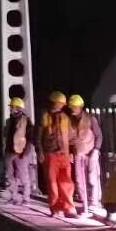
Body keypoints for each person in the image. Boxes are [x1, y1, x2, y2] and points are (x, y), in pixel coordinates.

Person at [38, 90, 76, 218]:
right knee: (52, 182)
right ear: (53, 103)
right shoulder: (45, 116)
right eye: (58, 103)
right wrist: (40, 152)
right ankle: (55, 209)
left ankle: (69, 208)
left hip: (64, 154)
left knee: (67, 182)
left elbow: (71, 137)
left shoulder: (65, 118)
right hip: (50, 154)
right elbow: (37, 137)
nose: (60, 106)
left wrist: (71, 152)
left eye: (62, 104)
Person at [67, 94, 104, 216]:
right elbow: (70, 139)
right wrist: (70, 152)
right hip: (78, 153)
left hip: (91, 152)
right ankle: (85, 205)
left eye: (74, 106)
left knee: (92, 179)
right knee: (79, 181)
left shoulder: (90, 119)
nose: (72, 108)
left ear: (80, 107)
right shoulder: (70, 120)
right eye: (70, 106)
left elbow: (98, 135)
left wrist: (96, 150)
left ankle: (94, 203)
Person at [1, 97, 35, 205]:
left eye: (12, 107)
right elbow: (6, 135)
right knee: (10, 176)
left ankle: (26, 198)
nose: (11, 109)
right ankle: (14, 196)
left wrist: (25, 152)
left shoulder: (26, 121)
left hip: (21, 153)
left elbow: (30, 138)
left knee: (23, 175)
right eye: (11, 107)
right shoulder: (9, 121)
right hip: (9, 152)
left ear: (18, 108)